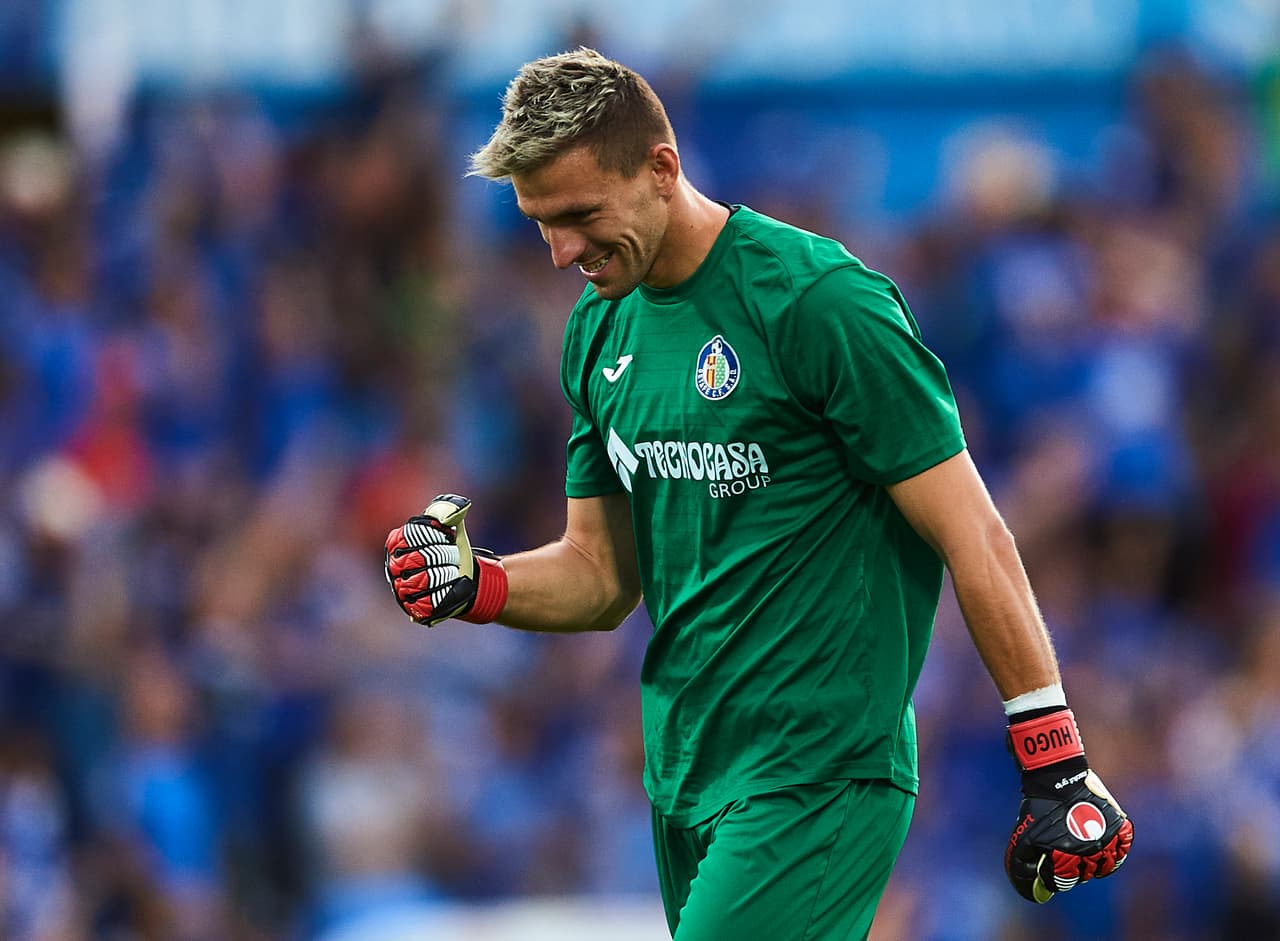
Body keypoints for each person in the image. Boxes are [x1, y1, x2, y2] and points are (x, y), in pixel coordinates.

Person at [383, 47, 1133, 940]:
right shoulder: (598, 329)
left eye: (580, 216)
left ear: (662, 169)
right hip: (685, 775)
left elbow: (975, 533)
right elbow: (600, 573)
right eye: (540, 223)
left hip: (818, 772)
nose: (561, 253)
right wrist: (480, 582)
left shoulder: (818, 301)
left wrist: (1054, 756)